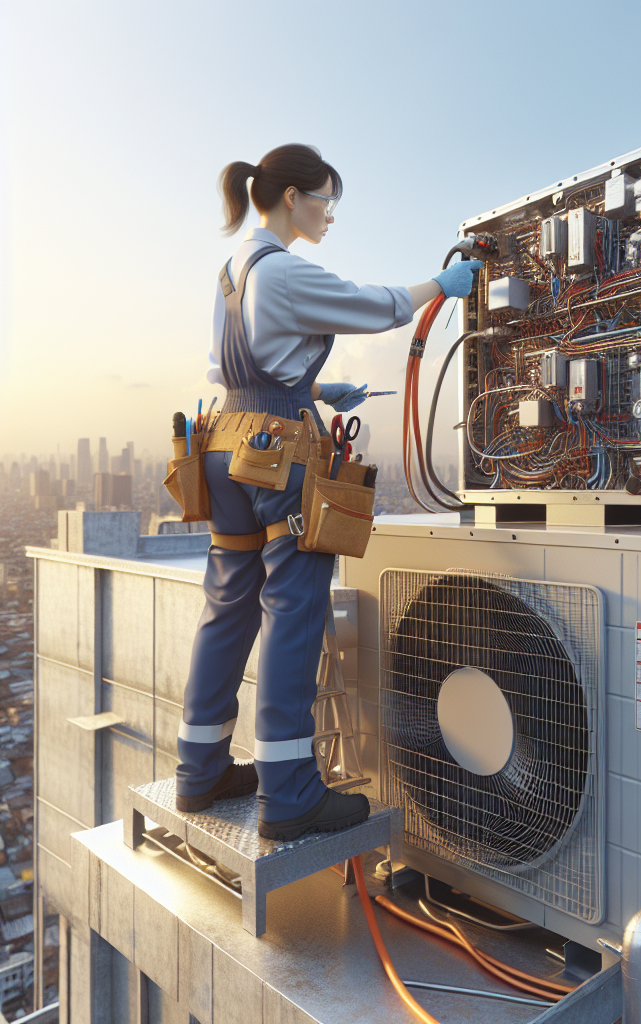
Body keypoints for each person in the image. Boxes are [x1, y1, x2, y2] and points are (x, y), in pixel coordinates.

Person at [174, 143, 481, 841]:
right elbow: (374, 306)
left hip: (224, 444)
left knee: (228, 607)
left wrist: (314, 387)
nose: (329, 216)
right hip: (278, 451)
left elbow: (243, 362)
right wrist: (443, 284)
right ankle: (289, 795)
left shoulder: (231, 270)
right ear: (292, 198)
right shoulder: (282, 269)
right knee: (293, 610)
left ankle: (201, 772)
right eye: (326, 202)